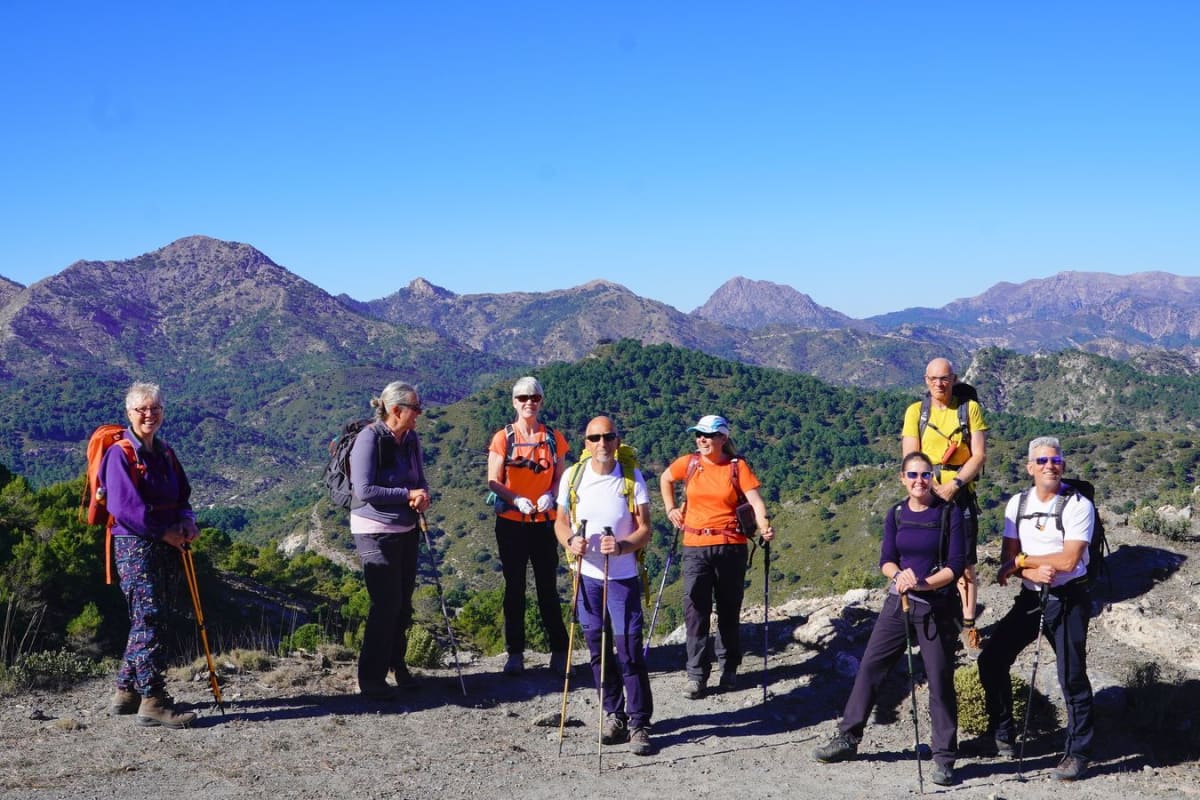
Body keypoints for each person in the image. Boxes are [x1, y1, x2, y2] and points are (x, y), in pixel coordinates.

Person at [812, 451, 966, 786]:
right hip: (899, 602)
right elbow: (886, 559)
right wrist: (899, 576)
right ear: (902, 478)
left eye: (925, 475)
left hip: (936, 607)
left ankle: (944, 758)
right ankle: (848, 737)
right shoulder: (896, 513)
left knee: (939, 678)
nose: (919, 481)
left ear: (932, 478)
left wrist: (922, 583)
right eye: (912, 475)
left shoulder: (949, 513)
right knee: (871, 666)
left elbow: (955, 566)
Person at [977, 436, 1095, 782]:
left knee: (1071, 677)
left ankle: (1078, 753)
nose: (1050, 466)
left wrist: (1023, 561)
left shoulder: (1078, 505)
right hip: (1031, 597)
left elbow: (1069, 560)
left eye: (1055, 460)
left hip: (1068, 598)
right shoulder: (1018, 503)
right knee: (992, 660)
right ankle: (1002, 735)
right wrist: (1027, 570)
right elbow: (1006, 561)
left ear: (1063, 465)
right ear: (1030, 467)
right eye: (1042, 461)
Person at [554, 416, 655, 755]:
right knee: (598, 649)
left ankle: (639, 722)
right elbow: (560, 522)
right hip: (587, 577)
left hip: (622, 577)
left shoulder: (631, 478)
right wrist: (571, 541)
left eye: (608, 437)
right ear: (586, 443)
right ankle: (615, 715)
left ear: (616, 441)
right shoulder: (573, 477)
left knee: (629, 650)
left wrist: (623, 546)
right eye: (595, 438)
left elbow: (645, 528)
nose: (602, 443)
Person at [102, 382, 200, 728]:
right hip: (136, 546)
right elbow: (124, 507)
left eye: (155, 408)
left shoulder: (165, 452)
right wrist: (164, 532)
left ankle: (126, 691)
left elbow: (182, 493)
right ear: (129, 413)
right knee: (151, 618)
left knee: (147, 617)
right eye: (141, 409)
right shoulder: (120, 454)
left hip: (165, 543)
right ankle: (153, 700)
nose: (149, 415)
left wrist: (186, 521)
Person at [660, 414, 775, 699]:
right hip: (695, 545)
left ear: (723, 438)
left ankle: (729, 669)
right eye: (698, 434)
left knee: (728, 609)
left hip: (730, 545)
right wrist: (670, 508)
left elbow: (755, 501)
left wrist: (764, 526)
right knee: (695, 610)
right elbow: (665, 478)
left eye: (708, 435)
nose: (702, 439)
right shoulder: (689, 463)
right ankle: (696, 675)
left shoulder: (737, 467)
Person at [349, 380, 431, 699]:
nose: (419, 413)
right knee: (386, 604)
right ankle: (370, 678)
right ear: (396, 410)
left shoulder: (410, 439)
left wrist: (421, 495)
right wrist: (407, 494)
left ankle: (397, 665)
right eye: (415, 408)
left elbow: (420, 479)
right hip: (373, 530)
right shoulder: (369, 438)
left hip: (406, 530)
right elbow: (364, 490)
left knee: (403, 604)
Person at [901, 357, 988, 649]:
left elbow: (978, 454)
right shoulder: (916, 412)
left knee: (964, 562)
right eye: (934, 379)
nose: (939, 384)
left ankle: (969, 624)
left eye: (945, 378)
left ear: (954, 379)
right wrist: (932, 487)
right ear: (926, 381)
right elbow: (911, 457)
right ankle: (928, 617)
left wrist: (954, 485)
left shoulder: (969, 409)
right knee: (925, 556)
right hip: (926, 493)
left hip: (959, 494)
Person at [487, 376, 570, 676]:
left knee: (548, 587)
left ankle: (559, 652)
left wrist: (551, 495)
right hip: (512, 523)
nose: (528, 402)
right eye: (523, 398)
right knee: (515, 589)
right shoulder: (503, 438)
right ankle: (515, 653)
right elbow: (493, 480)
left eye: (534, 397)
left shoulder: (553, 438)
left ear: (541, 401)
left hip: (545, 524)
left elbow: (561, 477)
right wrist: (516, 499)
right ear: (514, 402)